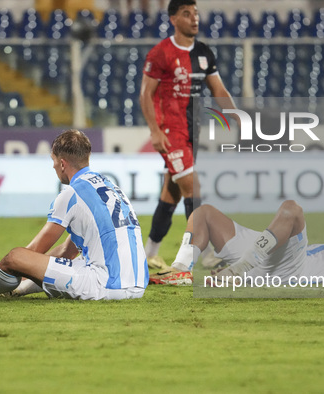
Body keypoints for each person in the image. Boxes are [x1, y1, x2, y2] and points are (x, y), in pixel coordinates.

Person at [0, 129, 148, 300]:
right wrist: (32, 270)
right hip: (138, 284)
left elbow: (32, 252)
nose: (54, 166)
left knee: (15, 257)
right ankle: (17, 290)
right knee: (63, 262)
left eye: (54, 161)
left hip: (106, 285)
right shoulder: (112, 187)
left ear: (63, 163)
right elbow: (67, 251)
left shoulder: (71, 194)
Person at [139, 0, 237, 270]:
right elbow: (146, 93)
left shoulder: (204, 52)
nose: (194, 19)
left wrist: (238, 116)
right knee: (193, 190)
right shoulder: (161, 53)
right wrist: (155, 131)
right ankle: (194, 259)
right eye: (186, 14)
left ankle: (148, 254)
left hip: (194, 131)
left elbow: (218, 90)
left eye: (195, 13)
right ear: (173, 19)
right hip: (171, 133)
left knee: (171, 193)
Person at [149, 200, 324, 286]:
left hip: (294, 269)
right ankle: (181, 269)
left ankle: (240, 269)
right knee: (205, 213)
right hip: (274, 257)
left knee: (292, 210)